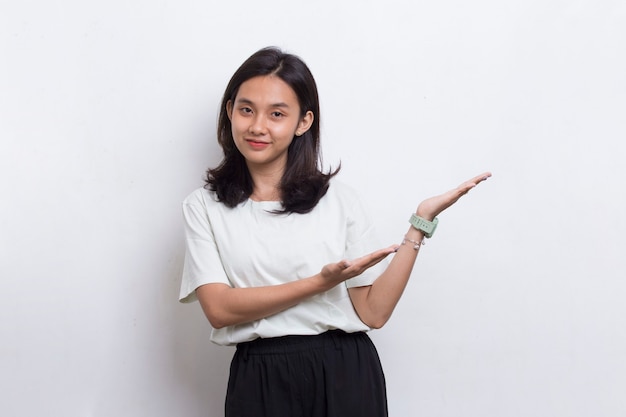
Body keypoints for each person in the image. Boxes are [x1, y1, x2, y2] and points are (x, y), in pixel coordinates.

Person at [179, 46, 491, 417]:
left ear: (303, 122)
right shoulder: (203, 206)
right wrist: (319, 283)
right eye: (246, 109)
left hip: (345, 371)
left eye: (277, 114)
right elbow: (219, 308)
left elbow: (373, 313)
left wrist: (419, 223)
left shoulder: (338, 201)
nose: (258, 126)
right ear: (229, 111)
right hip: (259, 377)